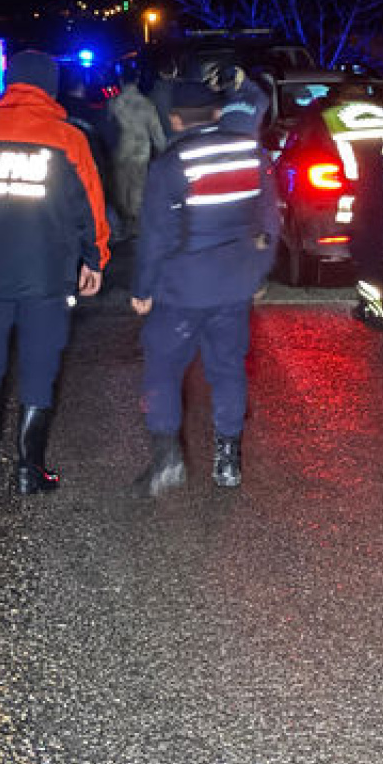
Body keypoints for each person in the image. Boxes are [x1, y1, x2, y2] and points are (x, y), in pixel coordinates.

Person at [0, 49, 111, 494]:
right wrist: (95, 259)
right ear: (49, 86)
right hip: (46, 276)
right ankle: (30, 471)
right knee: (39, 364)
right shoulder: (68, 139)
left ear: (9, 83)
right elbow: (90, 208)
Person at [130, 78, 279, 495]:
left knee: (163, 368)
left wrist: (142, 289)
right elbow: (270, 222)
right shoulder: (253, 154)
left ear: (175, 119)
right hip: (234, 286)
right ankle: (228, 461)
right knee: (228, 368)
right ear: (217, 113)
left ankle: (167, 458)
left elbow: (156, 237)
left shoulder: (170, 164)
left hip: (180, 290)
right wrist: (258, 272)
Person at [320, 75, 383, 325]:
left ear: (343, 95)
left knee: (364, 254)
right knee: (376, 252)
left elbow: (326, 151)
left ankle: (375, 309)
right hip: (379, 194)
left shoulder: (333, 117)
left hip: (354, 196)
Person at [107, 66, 167, 237]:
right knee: (137, 188)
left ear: (121, 80)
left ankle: (121, 225)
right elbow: (156, 131)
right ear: (137, 81)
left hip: (119, 151)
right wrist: (163, 150)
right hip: (141, 152)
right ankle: (135, 228)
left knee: (120, 188)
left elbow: (107, 127)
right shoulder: (146, 104)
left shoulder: (114, 103)